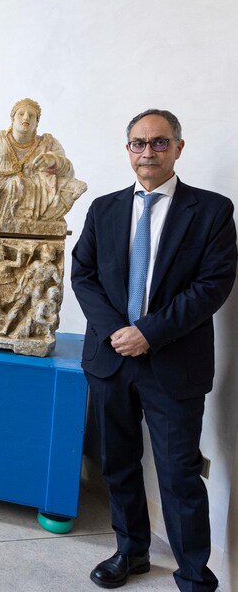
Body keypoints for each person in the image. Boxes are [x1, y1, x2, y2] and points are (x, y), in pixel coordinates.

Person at [71, 109, 236, 591]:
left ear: (178, 148)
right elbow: (83, 275)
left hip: (173, 364)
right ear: (127, 150)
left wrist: (148, 332)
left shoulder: (211, 211)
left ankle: (193, 576)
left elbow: (213, 285)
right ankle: (131, 551)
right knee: (119, 464)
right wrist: (117, 332)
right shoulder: (104, 209)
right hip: (110, 360)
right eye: (139, 144)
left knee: (179, 473)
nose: (148, 152)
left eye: (159, 143)